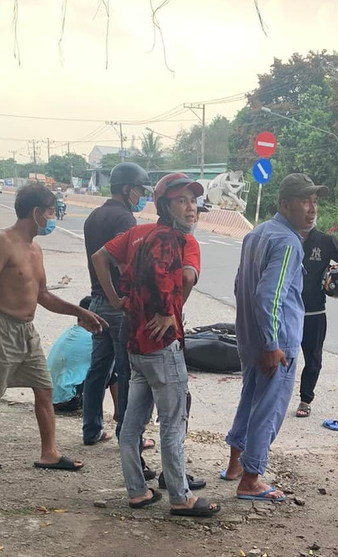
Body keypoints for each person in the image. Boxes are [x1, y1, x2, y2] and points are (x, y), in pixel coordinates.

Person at [93, 173, 218, 517]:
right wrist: (169, 313)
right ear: (165, 205)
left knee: (132, 423)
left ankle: (137, 491)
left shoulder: (139, 233)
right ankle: (180, 496)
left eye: (193, 201)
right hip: (161, 344)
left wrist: (117, 299)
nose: (190, 207)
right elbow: (180, 277)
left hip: (135, 340)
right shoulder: (171, 239)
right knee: (173, 421)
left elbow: (100, 258)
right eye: (181, 200)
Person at [0, 181, 104, 472]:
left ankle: (49, 453)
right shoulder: (2, 243)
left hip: (27, 331)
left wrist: (80, 312)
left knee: (44, 388)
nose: (53, 217)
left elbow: (43, 296)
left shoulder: (35, 249)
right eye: (51, 211)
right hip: (1, 329)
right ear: (36, 212)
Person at [223, 173, 323, 501]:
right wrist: (272, 344)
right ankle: (251, 479)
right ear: (285, 204)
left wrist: (252, 335)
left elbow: (241, 285)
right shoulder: (288, 242)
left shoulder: (257, 234)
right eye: (304, 201)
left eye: (315, 201)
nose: (312, 208)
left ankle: (236, 465)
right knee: (269, 408)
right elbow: (269, 295)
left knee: (250, 400)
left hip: (252, 339)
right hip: (275, 344)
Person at [81, 161, 153, 447]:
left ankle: (91, 430)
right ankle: (129, 433)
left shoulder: (93, 216)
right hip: (117, 305)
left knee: (98, 369)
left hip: (96, 302)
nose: (141, 196)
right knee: (127, 372)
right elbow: (122, 263)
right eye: (138, 190)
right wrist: (118, 298)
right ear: (126, 189)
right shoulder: (125, 220)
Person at [295, 227, 338, 417]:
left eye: (314, 205)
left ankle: (305, 400)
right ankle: (275, 397)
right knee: (283, 357)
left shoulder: (325, 241)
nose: (310, 211)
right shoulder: (285, 235)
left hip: (314, 311)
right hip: (287, 311)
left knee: (313, 359)